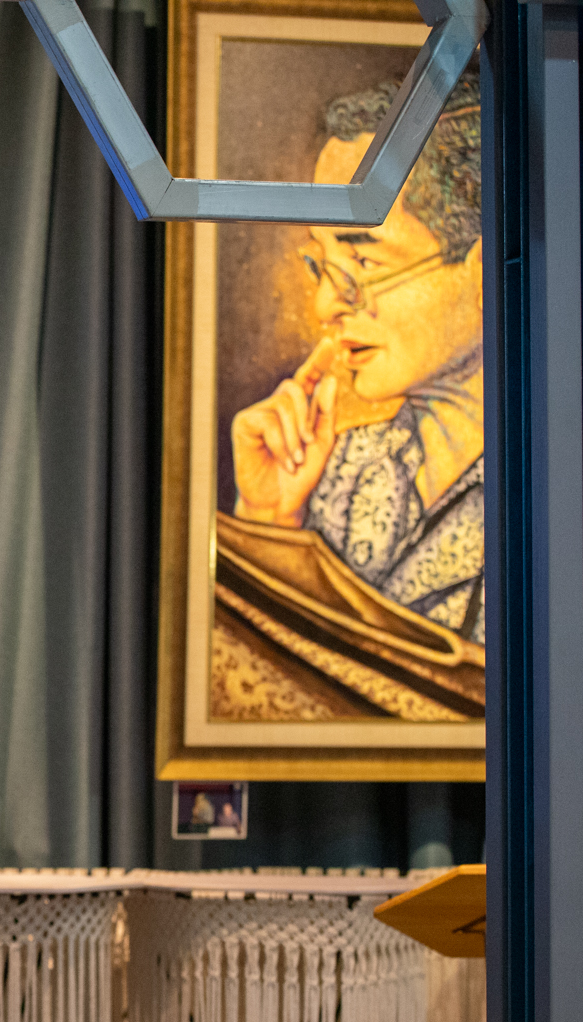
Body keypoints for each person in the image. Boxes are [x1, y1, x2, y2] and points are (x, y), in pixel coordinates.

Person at [229, 71, 484, 643]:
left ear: (482, 269)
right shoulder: (344, 466)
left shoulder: (549, 484)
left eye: (363, 263)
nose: (325, 306)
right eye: (321, 265)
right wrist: (272, 521)